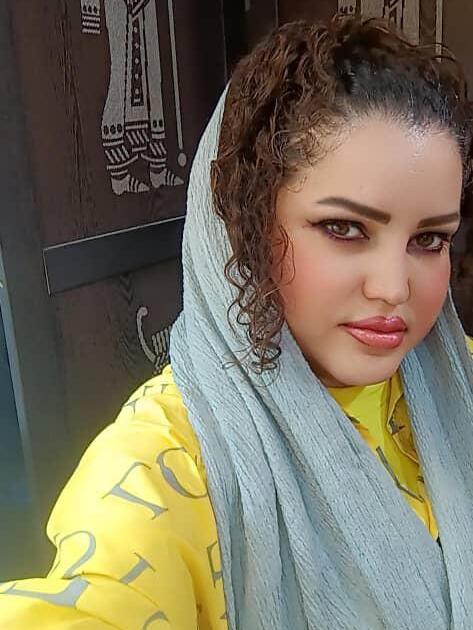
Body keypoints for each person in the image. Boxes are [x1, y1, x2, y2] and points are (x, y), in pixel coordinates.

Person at [2, 14, 473, 629]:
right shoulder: (172, 461)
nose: (393, 288)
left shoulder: (458, 378)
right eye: (343, 228)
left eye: (429, 240)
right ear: (244, 227)